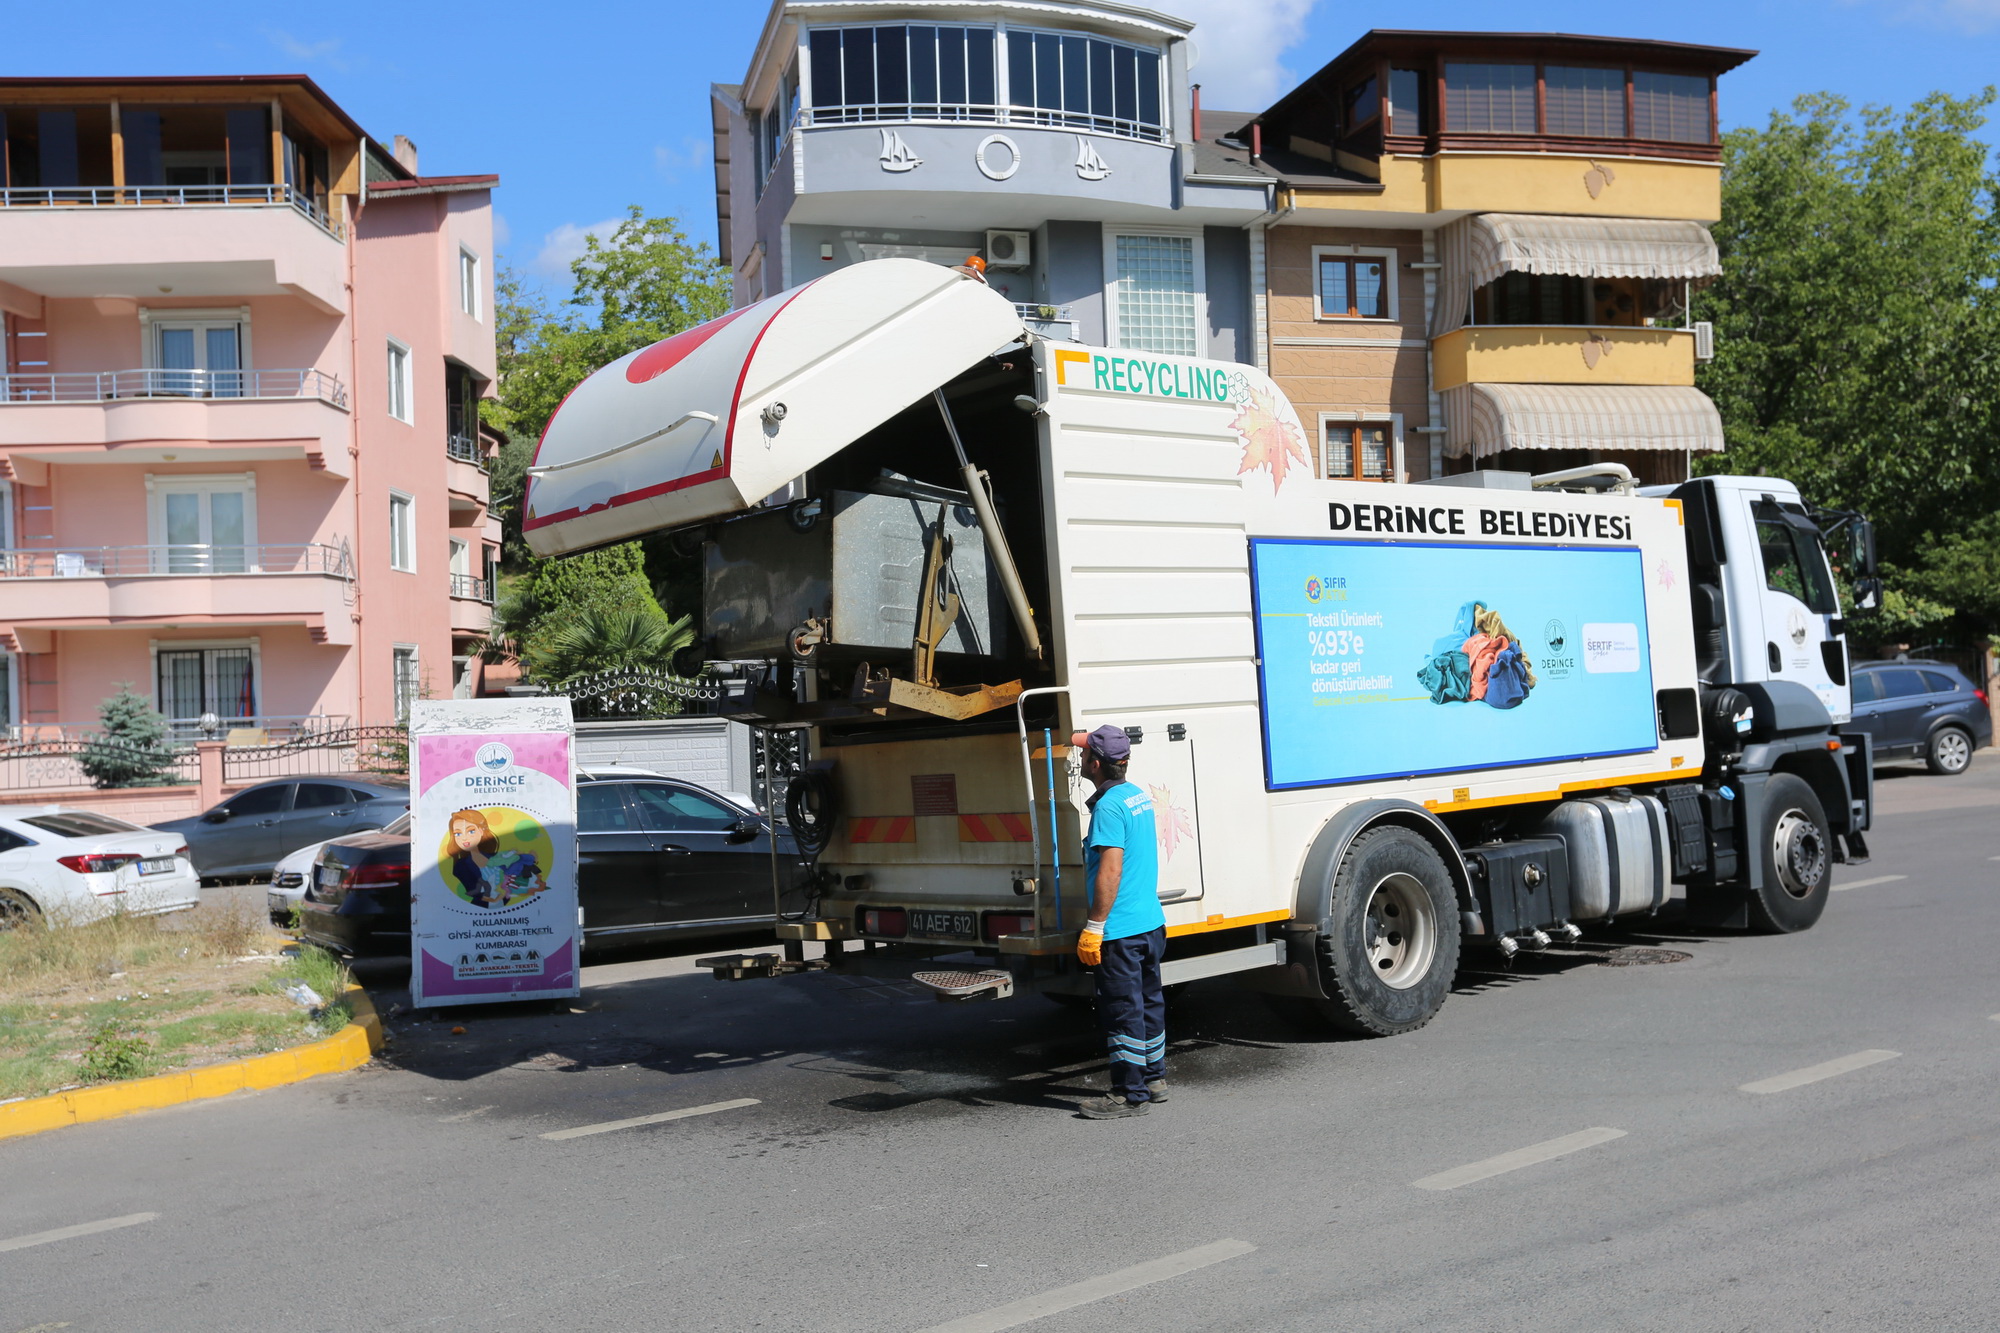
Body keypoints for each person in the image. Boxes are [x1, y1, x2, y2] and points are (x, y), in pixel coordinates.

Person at [1071, 724, 1167, 1119]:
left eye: (1083, 755)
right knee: (1148, 1003)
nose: (1079, 759)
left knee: (1123, 1010)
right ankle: (1154, 1078)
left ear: (1096, 763)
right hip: (1149, 923)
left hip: (1122, 931)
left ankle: (1130, 1094)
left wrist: (1094, 927)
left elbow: (1109, 873)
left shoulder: (1109, 808)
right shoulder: (1135, 796)